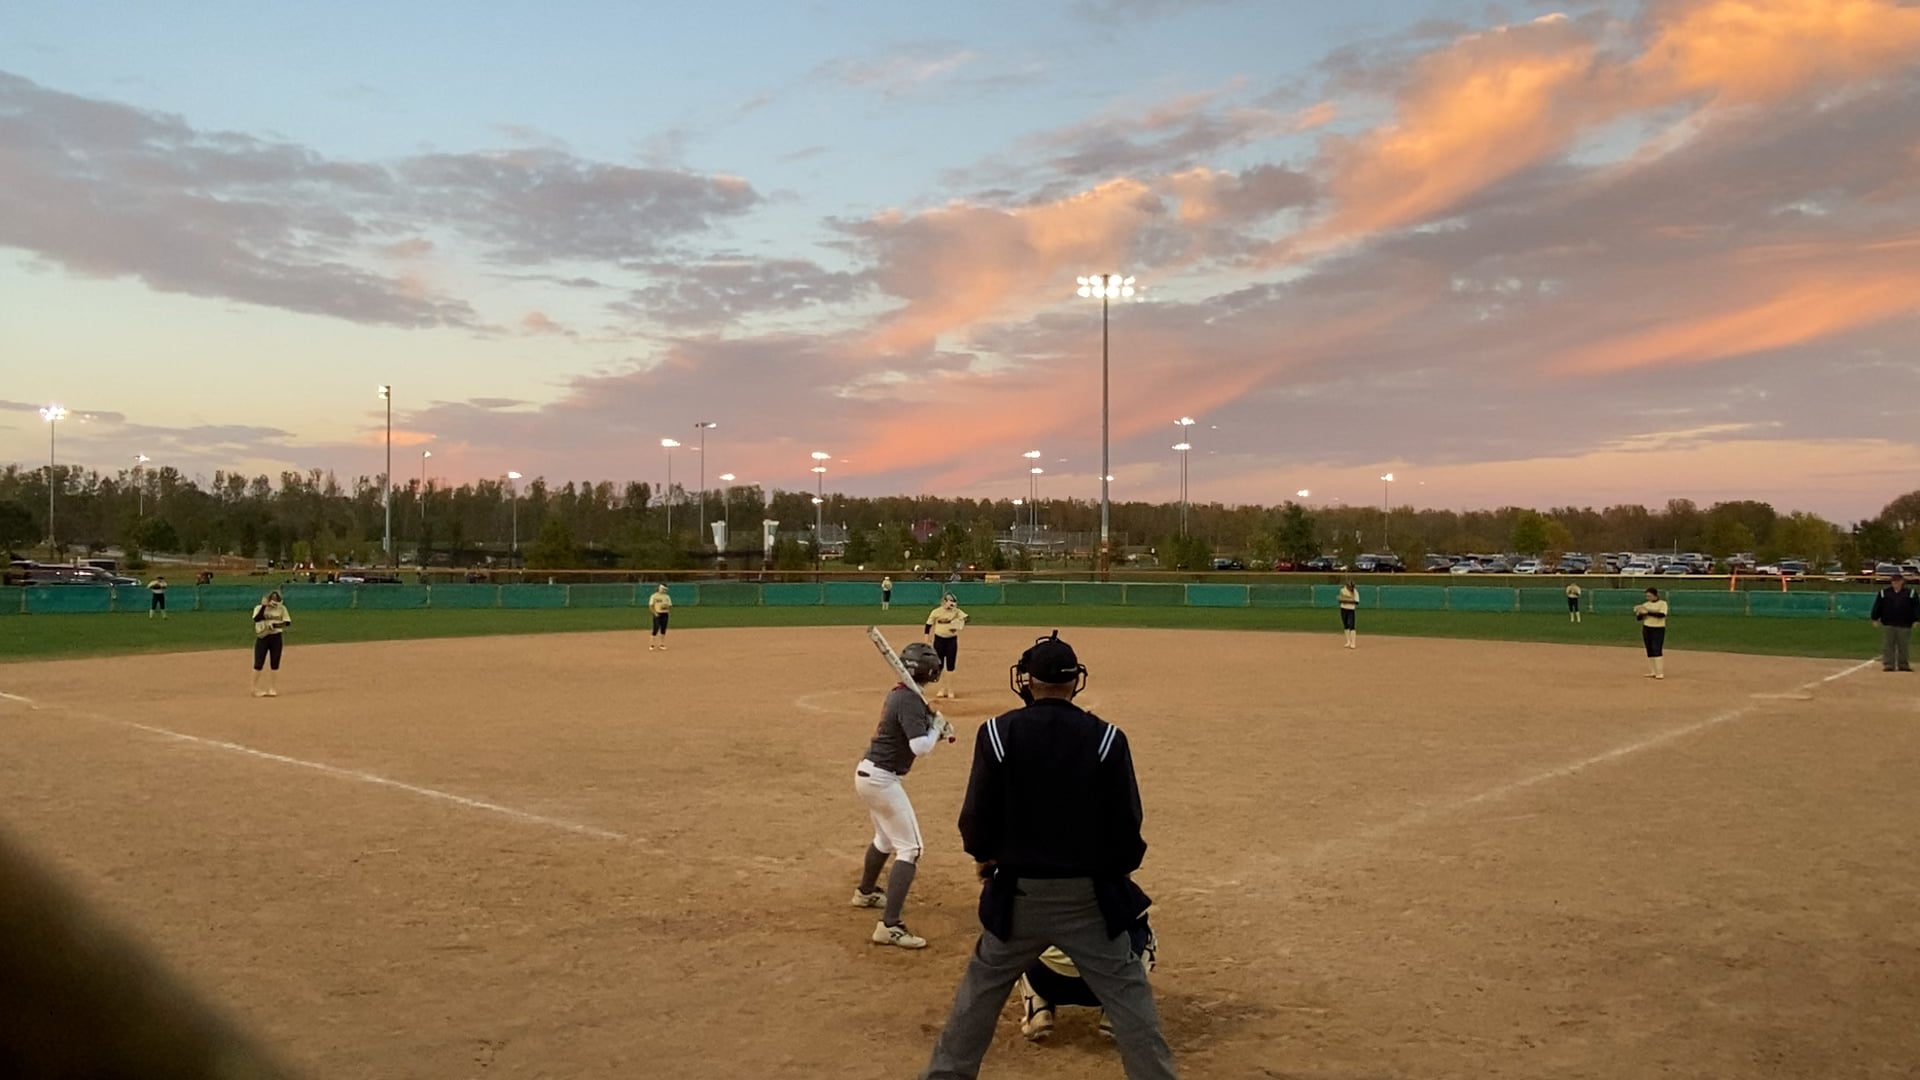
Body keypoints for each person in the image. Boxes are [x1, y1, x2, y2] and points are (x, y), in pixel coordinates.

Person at [921, 632, 1177, 1080]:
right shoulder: (1107, 738)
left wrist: (985, 856)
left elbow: (976, 818)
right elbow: (1126, 828)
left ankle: (947, 1075)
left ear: (1028, 681)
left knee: (980, 991)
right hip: (1089, 899)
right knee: (1129, 996)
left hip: (1017, 894)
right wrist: (1114, 873)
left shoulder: (998, 733)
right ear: (1075, 681)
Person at [851, 641, 952, 949]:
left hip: (870, 775)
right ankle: (889, 926)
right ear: (931, 672)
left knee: (885, 839)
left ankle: (865, 893)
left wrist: (935, 727)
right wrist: (936, 728)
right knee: (911, 849)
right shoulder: (909, 699)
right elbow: (919, 747)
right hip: (881, 780)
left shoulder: (903, 694)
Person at [1018, 913, 1158, 1042]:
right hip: (1106, 985)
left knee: (1016, 926)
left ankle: (1037, 1007)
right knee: (1143, 930)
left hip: (1047, 982)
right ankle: (1116, 1012)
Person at [1869, 573, 1917, 672]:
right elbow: (1878, 605)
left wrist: (1917, 619)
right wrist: (1875, 618)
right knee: (1888, 644)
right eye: (1893, 581)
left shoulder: (1910, 593)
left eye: (1897, 581)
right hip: (1888, 622)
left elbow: (1916, 607)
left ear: (1902, 582)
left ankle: (1903, 664)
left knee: (1903, 645)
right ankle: (1889, 664)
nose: (1895, 583)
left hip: (1904, 623)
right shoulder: (1884, 593)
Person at [925, 593, 969, 698]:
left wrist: (958, 622)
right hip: (939, 640)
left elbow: (967, 618)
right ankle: (941, 689)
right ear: (944, 601)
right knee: (939, 665)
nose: (952, 604)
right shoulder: (936, 612)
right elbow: (928, 626)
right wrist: (926, 641)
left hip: (951, 641)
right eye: (950, 601)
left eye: (953, 602)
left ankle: (950, 690)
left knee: (950, 666)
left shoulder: (956, 612)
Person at [250, 590, 292, 697]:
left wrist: (275, 625)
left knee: (275, 663)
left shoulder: (281, 609)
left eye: (276, 599)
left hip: (276, 637)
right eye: (272, 598)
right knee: (258, 663)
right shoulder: (259, 608)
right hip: (262, 636)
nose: (274, 601)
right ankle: (254, 688)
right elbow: (257, 618)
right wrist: (264, 606)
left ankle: (272, 688)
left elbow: (287, 622)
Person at [1633, 587, 1669, 679]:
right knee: (1649, 649)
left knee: (1656, 648)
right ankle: (1653, 671)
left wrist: (1647, 612)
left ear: (1655, 595)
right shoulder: (1645, 604)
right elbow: (1639, 619)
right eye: (1647, 596)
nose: (1648, 597)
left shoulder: (1662, 603)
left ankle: (1660, 672)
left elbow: (1661, 615)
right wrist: (1639, 612)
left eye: (1649, 596)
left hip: (1658, 628)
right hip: (1647, 628)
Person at [648, 584, 672, 651]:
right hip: (657, 614)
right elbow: (651, 606)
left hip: (665, 614)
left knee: (663, 629)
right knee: (656, 628)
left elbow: (670, 606)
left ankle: (662, 644)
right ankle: (652, 644)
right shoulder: (654, 596)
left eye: (665, 589)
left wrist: (666, 607)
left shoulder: (667, 596)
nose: (664, 590)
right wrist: (655, 613)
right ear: (659, 588)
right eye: (663, 589)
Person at [1337, 579, 1360, 649]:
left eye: (1351, 586)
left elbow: (1357, 601)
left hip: (1351, 610)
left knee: (1352, 625)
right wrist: (1349, 599)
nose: (1350, 588)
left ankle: (1353, 643)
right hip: (1343, 609)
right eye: (1349, 586)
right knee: (1345, 625)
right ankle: (1348, 641)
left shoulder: (1355, 591)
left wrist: (1346, 600)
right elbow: (1340, 599)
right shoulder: (1342, 590)